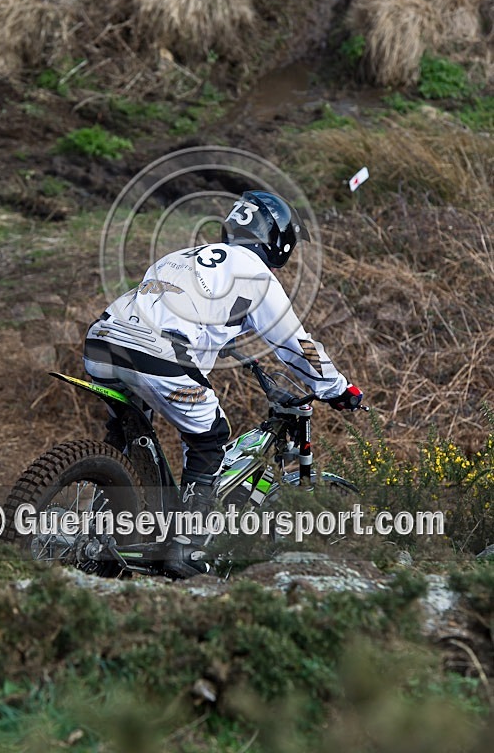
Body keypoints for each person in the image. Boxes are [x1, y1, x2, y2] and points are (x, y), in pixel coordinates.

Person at [83, 191, 363, 576]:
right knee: (210, 437)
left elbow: (177, 308)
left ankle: (103, 520)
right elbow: (298, 348)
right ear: (277, 240)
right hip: (156, 353)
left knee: (134, 432)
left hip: (102, 340)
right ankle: (187, 547)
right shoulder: (257, 275)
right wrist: (339, 389)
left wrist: (222, 341)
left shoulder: (185, 256)